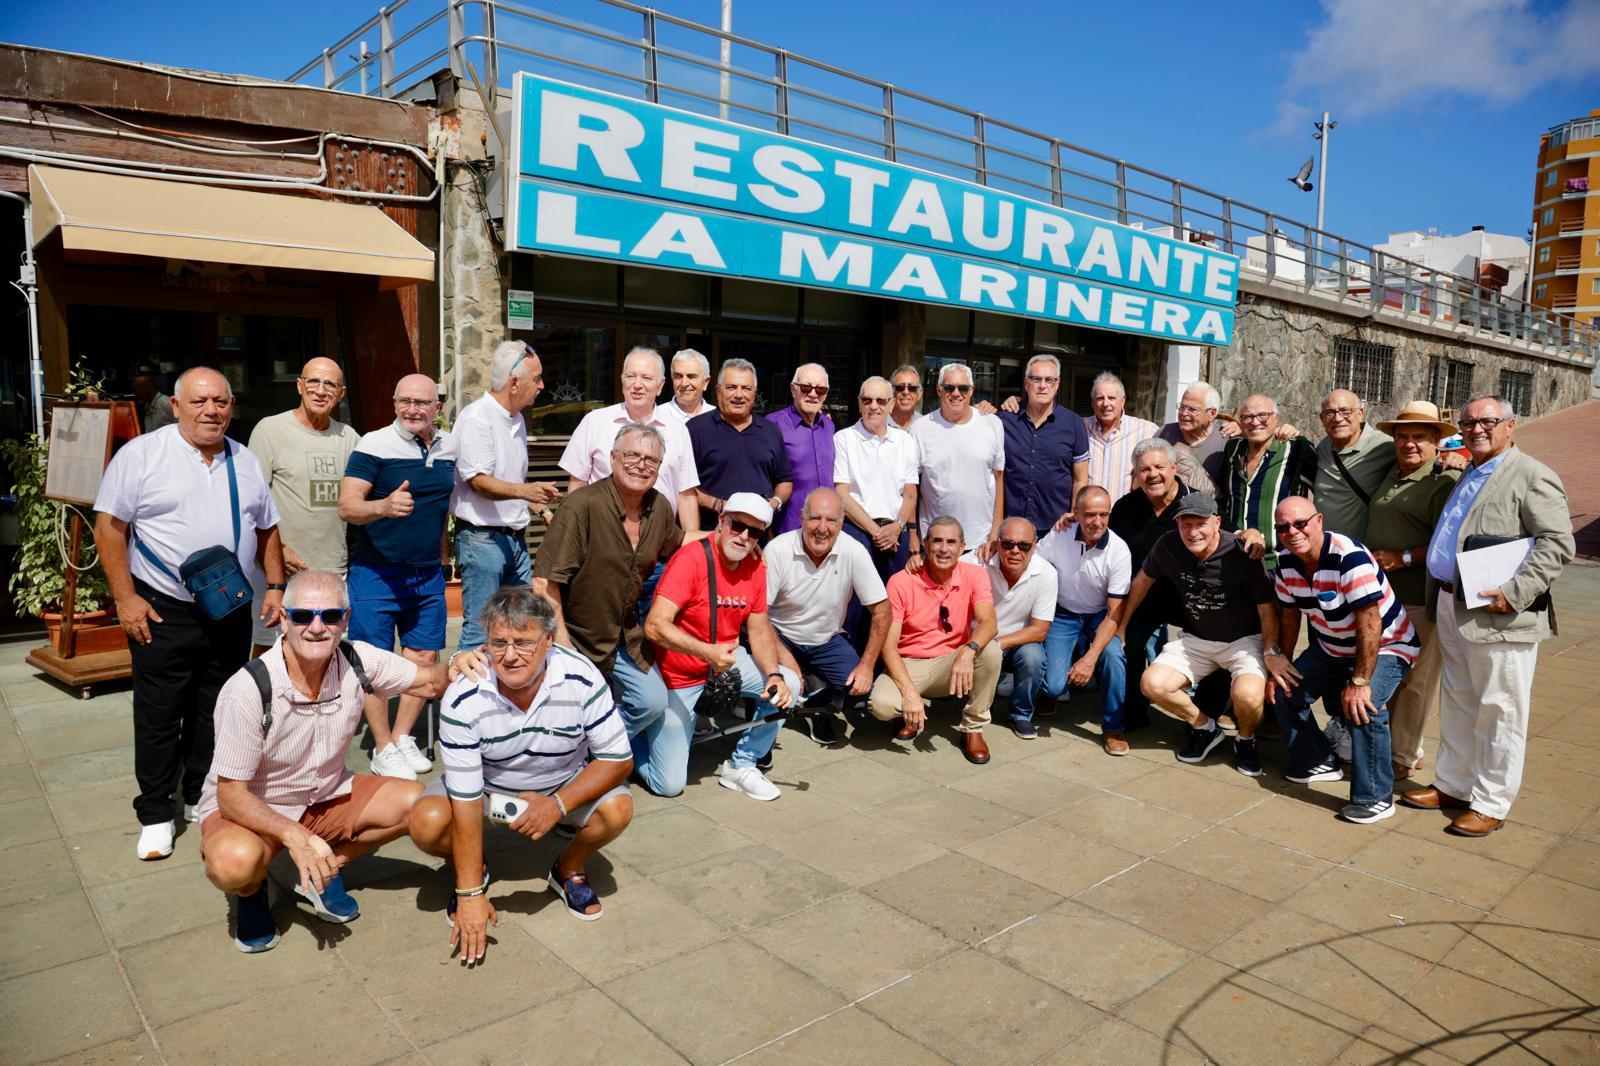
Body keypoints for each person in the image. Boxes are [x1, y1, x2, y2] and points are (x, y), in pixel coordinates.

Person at [196, 570, 485, 953]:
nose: (317, 627)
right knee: (233, 863)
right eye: (303, 616)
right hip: (256, 805)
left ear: (345, 620)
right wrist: (295, 835)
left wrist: (457, 665)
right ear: (283, 619)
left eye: (330, 616)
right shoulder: (248, 689)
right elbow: (231, 796)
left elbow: (429, 682)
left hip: (327, 792)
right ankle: (251, 894)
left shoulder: (355, 658)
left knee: (424, 807)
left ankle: (325, 868)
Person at [94, 366, 286, 862]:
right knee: (159, 713)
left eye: (220, 401)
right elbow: (110, 529)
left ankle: (203, 792)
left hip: (228, 607)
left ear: (232, 406)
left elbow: (267, 529)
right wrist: (125, 598)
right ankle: (157, 812)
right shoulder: (141, 455)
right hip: (161, 609)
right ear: (176, 406)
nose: (211, 410)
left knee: (217, 708)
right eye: (199, 401)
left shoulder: (243, 460)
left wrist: (277, 585)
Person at [424, 588, 633, 955]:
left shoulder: (581, 676)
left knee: (618, 810)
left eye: (524, 642)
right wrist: (469, 892)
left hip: (562, 781)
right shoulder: (463, 695)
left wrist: (556, 805)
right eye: (498, 643)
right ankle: (475, 867)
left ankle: (567, 868)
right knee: (427, 821)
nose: (509, 655)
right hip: (488, 788)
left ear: (549, 640)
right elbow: (467, 799)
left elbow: (618, 759)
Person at [1402, 395, 1575, 837]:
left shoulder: (1532, 475)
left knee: (1501, 709)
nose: (1476, 429)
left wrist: (1515, 593)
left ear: (1510, 425)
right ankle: (1454, 784)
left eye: (1487, 421)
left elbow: (1557, 542)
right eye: (1468, 422)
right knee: (1459, 699)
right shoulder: (1471, 471)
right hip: (1452, 601)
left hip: (1500, 612)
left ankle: (1492, 801)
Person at [1265, 499, 1419, 823]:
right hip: (1332, 647)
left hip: (1388, 644)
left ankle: (1376, 797)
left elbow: (1370, 622)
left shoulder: (1349, 557)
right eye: (1283, 527)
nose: (1293, 532)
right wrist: (1283, 663)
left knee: (1364, 705)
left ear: (1319, 520)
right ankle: (1318, 760)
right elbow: (1290, 618)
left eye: (1301, 523)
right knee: (1284, 691)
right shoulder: (1285, 563)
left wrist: (1360, 682)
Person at [641, 493, 800, 799]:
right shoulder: (691, 560)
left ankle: (742, 764)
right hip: (681, 672)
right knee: (669, 785)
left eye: (753, 532)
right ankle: (626, 747)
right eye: (738, 526)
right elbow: (655, 625)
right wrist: (705, 651)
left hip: (726, 660)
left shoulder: (755, 566)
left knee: (787, 684)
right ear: (721, 522)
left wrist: (774, 675)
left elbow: (759, 628)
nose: (743, 537)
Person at [534, 423, 682, 751]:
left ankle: (599, 747)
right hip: (578, 637)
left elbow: (680, 543)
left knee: (652, 702)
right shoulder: (581, 506)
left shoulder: (658, 507)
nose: (641, 465)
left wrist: (731, 539)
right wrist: (564, 650)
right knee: (572, 714)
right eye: (632, 455)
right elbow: (544, 584)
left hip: (625, 636)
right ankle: (582, 752)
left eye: (651, 460)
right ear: (613, 459)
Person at [339, 374, 458, 781]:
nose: (413, 409)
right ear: (394, 403)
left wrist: (443, 557)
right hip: (376, 571)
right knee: (373, 663)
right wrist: (383, 506)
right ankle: (383, 745)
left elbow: (442, 508)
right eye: (405, 401)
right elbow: (348, 506)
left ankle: (404, 736)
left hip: (425, 573)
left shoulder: (448, 446)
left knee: (423, 657)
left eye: (422, 402)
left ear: (436, 408)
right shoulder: (373, 443)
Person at [1118, 493, 1278, 776]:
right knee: (1152, 683)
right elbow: (1142, 581)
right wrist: (1121, 625)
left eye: (1201, 523)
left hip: (1242, 641)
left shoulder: (1240, 552)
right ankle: (1205, 727)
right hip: (1198, 639)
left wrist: (1271, 652)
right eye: (1185, 524)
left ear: (1217, 522)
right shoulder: (1168, 544)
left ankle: (1246, 740)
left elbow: (1267, 609)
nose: (1193, 532)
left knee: (1248, 696)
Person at [1364, 401, 1461, 780]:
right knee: (1386, 673)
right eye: (1403, 437)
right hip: (1382, 597)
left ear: (1437, 440)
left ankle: (1401, 758)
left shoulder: (1442, 481)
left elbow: (1447, 543)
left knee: (1415, 681)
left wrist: (1402, 558)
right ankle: (1401, 747)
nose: (1409, 444)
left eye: (1420, 437)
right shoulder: (1391, 471)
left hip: (1419, 596)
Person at [246, 357, 361, 656]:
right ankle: (263, 704)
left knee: (326, 648)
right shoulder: (270, 431)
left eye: (330, 384)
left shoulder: (349, 438)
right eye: (313, 381)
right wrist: (276, 550)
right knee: (269, 648)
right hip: (278, 569)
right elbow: (251, 502)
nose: (320, 390)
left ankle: (320, 704)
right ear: (299, 386)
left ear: (341, 394)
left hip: (332, 569)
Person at [452, 342, 561, 653]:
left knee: (519, 626)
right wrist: (525, 491)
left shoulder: (516, 418)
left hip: (514, 541)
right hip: (482, 541)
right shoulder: (478, 418)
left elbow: (512, 479)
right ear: (515, 383)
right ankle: (465, 699)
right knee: (479, 634)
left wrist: (540, 509)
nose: (542, 386)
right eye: (536, 378)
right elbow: (479, 482)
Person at [868, 516, 1002, 765]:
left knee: (991, 651)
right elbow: (888, 645)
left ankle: (973, 727)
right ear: (926, 545)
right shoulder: (901, 581)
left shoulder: (975, 575)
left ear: (962, 547)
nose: (943, 548)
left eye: (951, 542)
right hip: (909, 663)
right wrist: (909, 693)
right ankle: (911, 712)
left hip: (951, 663)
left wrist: (968, 651)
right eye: (937, 541)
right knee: (882, 706)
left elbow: (989, 623)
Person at [764, 488, 890, 746]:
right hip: (780, 635)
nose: (822, 528)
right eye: (815, 518)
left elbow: (883, 611)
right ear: (802, 517)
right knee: (769, 687)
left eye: (831, 520)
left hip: (826, 640)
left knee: (858, 693)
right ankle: (794, 702)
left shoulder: (854, 551)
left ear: (841, 523)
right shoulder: (778, 549)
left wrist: (866, 667)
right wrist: (785, 658)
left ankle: (815, 698)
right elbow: (758, 615)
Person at [560, 346, 701, 534]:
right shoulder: (594, 422)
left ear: (660, 386)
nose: (637, 384)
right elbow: (577, 483)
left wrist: (693, 549)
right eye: (631, 376)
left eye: (646, 378)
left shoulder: (677, 430)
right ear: (622, 381)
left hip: (659, 544)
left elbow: (686, 495)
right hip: (601, 539)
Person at [1036, 487, 1131, 754]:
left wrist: (1090, 658)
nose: (1097, 522)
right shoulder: (1059, 534)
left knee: (1113, 656)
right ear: (1075, 513)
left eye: (1103, 514)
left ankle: (1114, 727)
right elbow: (1034, 567)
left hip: (1101, 616)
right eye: (1089, 514)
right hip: (1064, 613)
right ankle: (1049, 691)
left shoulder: (1119, 550)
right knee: (1054, 685)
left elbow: (1115, 614)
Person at [1106, 438, 1191, 733]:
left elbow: (1227, 533)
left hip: (1187, 596)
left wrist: (1252, 534)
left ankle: (1204, 712)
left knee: (1213, 640)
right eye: (1144, 469)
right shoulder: (1126, 507)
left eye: (1159, 467)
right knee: (1127, 644)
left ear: (1174, 468)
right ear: (1135, 474)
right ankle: (1132, 710)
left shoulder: (1193, 503)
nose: (1152, 474)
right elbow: (1108, 547)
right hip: (1141, 597)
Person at [969, 517, 1057, 740]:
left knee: (1034, 657)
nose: (1015, 551)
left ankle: (1021, 715)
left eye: (1024, 545)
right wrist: (919, 561)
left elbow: (1039, 630)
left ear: (1034, 546)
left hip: (1014, 643)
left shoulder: (1046, 573)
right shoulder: (977, 561)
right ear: (997, 543)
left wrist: (996, 645)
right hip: (975, 640)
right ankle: (970, 707)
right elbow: (943, 566)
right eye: (1008, 544)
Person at [686, 358, 793, 531]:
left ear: (754, 393)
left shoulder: (770, 431)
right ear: (718, 390)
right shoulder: (695, 429)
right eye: (731, 387)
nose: (739, 395)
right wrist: (718, 504)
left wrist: (774, 503)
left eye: (746, 388)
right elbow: (683, 486)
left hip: (758, 536)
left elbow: (785, 480)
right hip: (713, 533)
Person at [834, 375, 919, 585]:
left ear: (891, 404)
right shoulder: (843, 438)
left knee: (893, 602)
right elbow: (842, 494)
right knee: (855, 606)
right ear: (859, 403)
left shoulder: (905, 441)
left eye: (881, 401)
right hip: (858, 532)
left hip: (896, 533)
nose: (874, 406)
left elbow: (910, 493)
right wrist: (877, 533)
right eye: (867, 400)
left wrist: (897, 527)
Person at [912, 363, 1005, 550]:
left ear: (971, 391)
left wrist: (995, 531)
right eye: (949, 387)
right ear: (939, 390)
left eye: (963, 388)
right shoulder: (921, 428)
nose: (956, 393)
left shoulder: (992, 424)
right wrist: (913, 534)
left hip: (981, 539)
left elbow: (999, 479)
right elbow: (911, 486)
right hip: (936, 539)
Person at [1218, 393, 1316, 563]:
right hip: (1234, 557)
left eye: (1263, 415)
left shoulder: (1297, 450)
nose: (1255, 422)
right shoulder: (1233, 449)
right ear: (1240, 422)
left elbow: (1327, 493)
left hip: (1282, 562)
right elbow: (1221, 500)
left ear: (1276, 418)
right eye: (1248, 417)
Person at [999, 354, 1090, 537]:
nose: (1042, 385)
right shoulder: (1004, 420)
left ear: (1057, 385)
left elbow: (1080, 478)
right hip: (1011, 526)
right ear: (1026, 384)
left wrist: (1073, 515)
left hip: (1057, 528)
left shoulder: (1074, 424)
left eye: (1049, 380)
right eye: (1036, 379)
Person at [1312, 389, 1395, 540]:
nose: (1337, 418)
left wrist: (1449, 458)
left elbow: (1420, 458)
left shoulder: (1384, 446)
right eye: (1330, 412)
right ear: (1322, 418)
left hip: (1361, 551)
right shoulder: (1322, 448)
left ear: (1361, 413)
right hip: (1324, 549)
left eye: (1345, 411)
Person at [770, 364, 837, 535]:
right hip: (787, 528)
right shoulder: (773, 424)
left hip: (825, 530)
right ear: (793, 389)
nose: (813, 394)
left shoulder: (829, 426)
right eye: (806, 388)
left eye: (820, 390)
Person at [1084, 372, 1159, 502]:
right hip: (1088, 518)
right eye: (1100, 398)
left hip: (1127, 518)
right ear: (1092, 402)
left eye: (1112, 398)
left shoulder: (1147, 431)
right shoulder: (1079, 429)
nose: (1105, 403)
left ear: (1123, 401)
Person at [1157, 380, 1234, 491]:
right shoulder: (1165, 433)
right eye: (1182, 407)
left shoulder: (1225, 442)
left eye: (1192, 409)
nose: (1184, 413)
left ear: (1212, 413)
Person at [657, 348, 715, 424]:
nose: (684, 383)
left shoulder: (719, 419)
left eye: (691, 376)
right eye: (679, 376)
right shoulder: (657, 417)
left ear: (706, 382)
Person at [889, 363, 925, 432]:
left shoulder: (924, 425)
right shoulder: (880, 422)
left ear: (919, 394)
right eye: (900, 387)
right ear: (892, 392)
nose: (906, 392)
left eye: (912, 388)